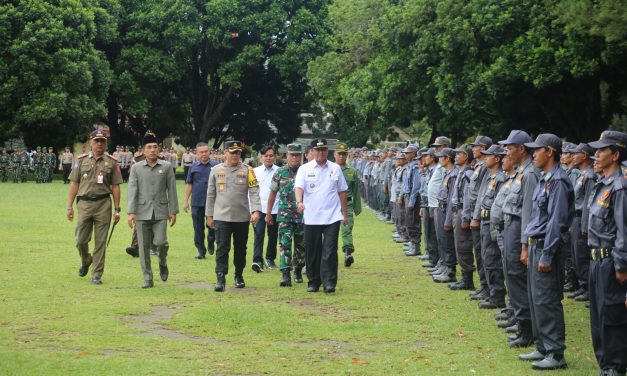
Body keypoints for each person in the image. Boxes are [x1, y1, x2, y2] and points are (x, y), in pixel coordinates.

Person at [517, 134, 573, 370]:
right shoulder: (544, 179)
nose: (533, 154)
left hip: (548, 248)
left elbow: (556, 222)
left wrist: (547, 254)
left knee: (547, 300)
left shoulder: (559, 181)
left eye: (537, 150)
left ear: (550, 152)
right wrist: (528, 247)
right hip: (537, 245)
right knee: (536, 299)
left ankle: (556, 352)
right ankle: (542, 346)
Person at [586, 130, 627, 376]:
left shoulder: (620, 188)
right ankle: (606, 365)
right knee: (599, 316)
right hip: (596, 260)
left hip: (611, 261)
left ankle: (615, 366)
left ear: (616, 154)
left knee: (612, 316)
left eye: (602, 150)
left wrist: (621, 265)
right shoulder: (602, 184)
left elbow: (624, 230)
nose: (596, 154)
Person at [500, 130, 540, 348]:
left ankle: (527, 330)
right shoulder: (520, 172)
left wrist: (524, 244)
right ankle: (520, 320)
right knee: (511, 275)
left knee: (517, 275)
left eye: (510, 148)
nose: (507, 152)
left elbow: (528, 211)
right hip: (511, 227)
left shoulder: (530, 174)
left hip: (519, 231)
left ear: (521, 148)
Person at [66, 130, 122, 285]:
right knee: (80, 240)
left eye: (102, 141)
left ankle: (96, 274)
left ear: (106, 143)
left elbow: (116, 186)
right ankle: (86, 259)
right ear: (91, 142)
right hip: (84, 204)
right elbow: (74, 183)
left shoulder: (112, 162)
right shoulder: (81, 160)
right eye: (96, 141)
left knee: (100, 242)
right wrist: (69, 207)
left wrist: (117, 209)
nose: (99, 144)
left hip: (104, 204)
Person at [205, 140, 262, 292]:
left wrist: (256, 210)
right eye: (232, 152)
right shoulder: (216, 170)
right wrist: (209, 215)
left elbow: (254, 191)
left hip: (241, 217)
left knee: (240, 249)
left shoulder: (248, 170)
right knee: (222, 248)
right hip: (221, 216)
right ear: (225, 153)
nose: (235, 155)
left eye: (238, 153)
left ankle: (239, 275)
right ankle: (220, 277)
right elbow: (210, 194)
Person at [295, 138, 348, 293]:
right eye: (317, 150)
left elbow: (342, 191)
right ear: (312, 151)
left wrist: (345, 214)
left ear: (327, 152)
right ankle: (313, 281)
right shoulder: (304, 169)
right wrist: (299, 202)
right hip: (312, 216)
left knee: (330, 250)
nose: (320, 153)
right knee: (312, 251)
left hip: (332, 216)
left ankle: (329, 282)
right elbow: (299, 187)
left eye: (323, 150)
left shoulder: (335, 168)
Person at [127, 131, 179, 288]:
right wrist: (131, 212)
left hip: (161, 211)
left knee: (161, 242)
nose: (152, 150)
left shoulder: (167, 166)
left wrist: (173, 211)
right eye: (149, 147)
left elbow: (172, 189)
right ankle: (147, 278)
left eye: (155, 147)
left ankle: (163, 262)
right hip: (142, 211)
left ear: (159, 149)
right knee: (143, 247)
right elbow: (132, 190)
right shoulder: (136, 168)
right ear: (143, 150)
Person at [266, 143, 305, 286]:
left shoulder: (306, 171)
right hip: (284, 216)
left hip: (302, 216)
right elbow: (272, 194)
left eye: (297, 155)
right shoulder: (280, 173)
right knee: (284, 244)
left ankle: (298, 270)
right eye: (292, 155)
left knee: (301, 246)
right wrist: (269, 213)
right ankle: (285, 274)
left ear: (301, 156)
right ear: (286, 156)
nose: (295, 158)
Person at [476, 145, 507, 309]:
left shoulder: (501, 179)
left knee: (492, 259)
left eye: (489, 155)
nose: (485, 158)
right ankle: (489, 291)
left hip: (492, 224)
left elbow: (499, 206)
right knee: (486, 258)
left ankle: (497, 296)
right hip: (484, 222)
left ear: (497, 159)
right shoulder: (491, 177)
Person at [446, 144, 474, 289]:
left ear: (467, 157)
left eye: (460, 154)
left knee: (463, 245)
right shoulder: (460, 172)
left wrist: (465, 217)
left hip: (462, 211)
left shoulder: (468, 174)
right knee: (458, 245)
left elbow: (468, 198)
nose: (456, 156)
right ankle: (464, 276)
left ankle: (467, 279)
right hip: (457, 210)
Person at [183, 142, 217, 259]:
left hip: (213, 203)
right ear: (197, 154)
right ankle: (200, 250)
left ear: (209, 152)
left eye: (206, 151)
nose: (204, 154)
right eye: (201, 152)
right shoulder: (193, 167)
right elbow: (189, 184)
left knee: (212, 226)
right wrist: (185, 201)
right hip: (197, 202)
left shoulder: (217, 166)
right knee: (198, 228)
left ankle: (211, 240)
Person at [430, 147, 456, 283]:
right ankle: (445, 266)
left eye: (441, 157)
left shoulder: (453, 174)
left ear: (448, 158)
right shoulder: (446, 173)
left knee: (447, 240)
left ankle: (450, 270)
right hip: (440, 208)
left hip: (446, 210)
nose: (439, 159)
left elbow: (452, 197)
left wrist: (448, 218)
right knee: (441, 239)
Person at [252, 145, 280, 271]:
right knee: (259, 234)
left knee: (273, 235)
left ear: (275, 156)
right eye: (266, 156)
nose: (268, 158)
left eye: (271, 155)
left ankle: (270, 258)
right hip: (259, 209)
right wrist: (252, 210)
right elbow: (251, 191)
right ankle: (257, 260)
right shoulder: (254, 171)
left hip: (275, 209)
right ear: (261, 157)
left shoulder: (280, 171)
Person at [335, 142, 362, 267]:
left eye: (344, 154)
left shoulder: (352, 171)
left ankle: (348, 254)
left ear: (347, 155)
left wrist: (357, 207)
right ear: (335, 155)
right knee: (331, 231)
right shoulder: (330, 169)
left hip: (348, 204)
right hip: (332, 205)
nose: (341, 156)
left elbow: (356, 190)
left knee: (347, 229)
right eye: (339, 154)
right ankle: (330, 254)